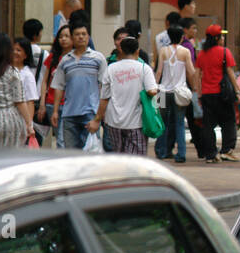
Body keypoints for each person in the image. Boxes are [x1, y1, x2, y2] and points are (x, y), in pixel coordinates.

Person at [91, 36, 158, 156]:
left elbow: (104, 98)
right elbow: (151, 91)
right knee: (136, 161)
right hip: (136, 123)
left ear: (120, 50)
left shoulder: (111, 68)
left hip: (113, 123)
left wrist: (97, 119)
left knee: (118, 158)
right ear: (137, 51)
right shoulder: (144, 68)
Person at [49, 21, 108, 149]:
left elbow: (104, 87)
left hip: (91, 112)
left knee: (91, 152)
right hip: (69, 114)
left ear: (88, 37)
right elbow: (59, 86)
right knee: (71, 154)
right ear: (72, 38)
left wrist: (98, 117)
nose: (81, 37)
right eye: (77, 34)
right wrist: (55, 111)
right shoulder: (65, 60)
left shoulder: (98, 58)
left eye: (84, 34)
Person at [197, 23, 240, 163]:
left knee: (208, 125)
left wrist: (199, 94)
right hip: (223, 94)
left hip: (207, 94)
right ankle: (226, 150)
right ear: (216, 38)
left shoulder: (202, 54)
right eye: (221, 36)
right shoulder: (224, 52)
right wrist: (237, 90)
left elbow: (198, 75)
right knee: (228, 122)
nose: (223, 38)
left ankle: (211, 154)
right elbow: (230, 72)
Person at [155, 23, 198, 164]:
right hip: (180, 91)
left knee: (162, 122)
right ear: (181, 37)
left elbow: (159, 71)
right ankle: (181, 154)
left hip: (163, 91)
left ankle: (161, 151)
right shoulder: (185, 52)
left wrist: (154, 87)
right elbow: (191, 72)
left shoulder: (163, 51)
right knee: (179, 123)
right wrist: (195, 87)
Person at [36, 24, 71, 147]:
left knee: (68, 139)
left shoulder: (76, 59)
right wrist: (42, 104)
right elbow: (45, 81)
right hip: (52, 104)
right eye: (61, 36)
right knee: (60, 139)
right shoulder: (53, 57)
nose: (63, 39)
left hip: (70, 104)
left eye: (67, 36)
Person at [12, 37, 42, 144]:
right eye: (13, 49)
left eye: (19, 50)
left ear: (26, 55)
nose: (15, 52)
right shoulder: (6, 70)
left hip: (20, 120)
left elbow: (30, 102)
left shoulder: (27, 75)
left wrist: (28, 125)